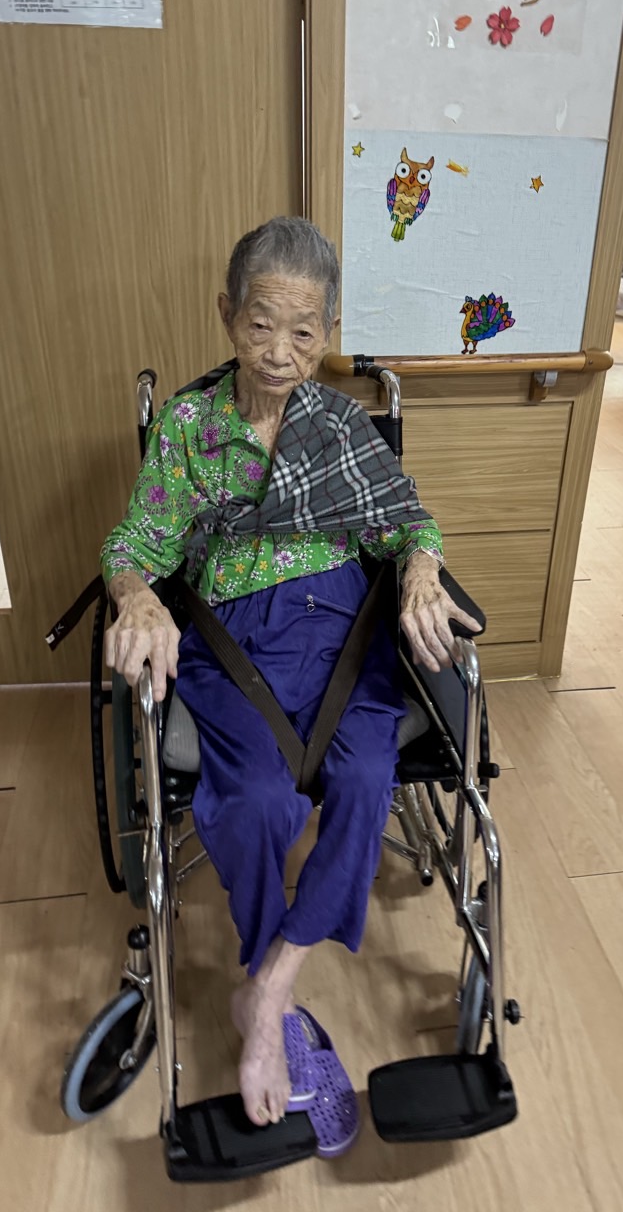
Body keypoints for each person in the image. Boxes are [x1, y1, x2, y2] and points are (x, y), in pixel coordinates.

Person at [100, 216, 477, 1148]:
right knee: (257, 802)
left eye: (304, 332)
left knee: (365, 778)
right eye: (261, 325)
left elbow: (409, 523)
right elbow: (135, 544)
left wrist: (421, 570)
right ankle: (273, 990)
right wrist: (136, 597)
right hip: (232, 635)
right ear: (227, 315)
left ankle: (266, 993)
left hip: (344, 629)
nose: (280, 352)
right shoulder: (190, 427)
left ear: (329, 330)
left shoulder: (342, 426)